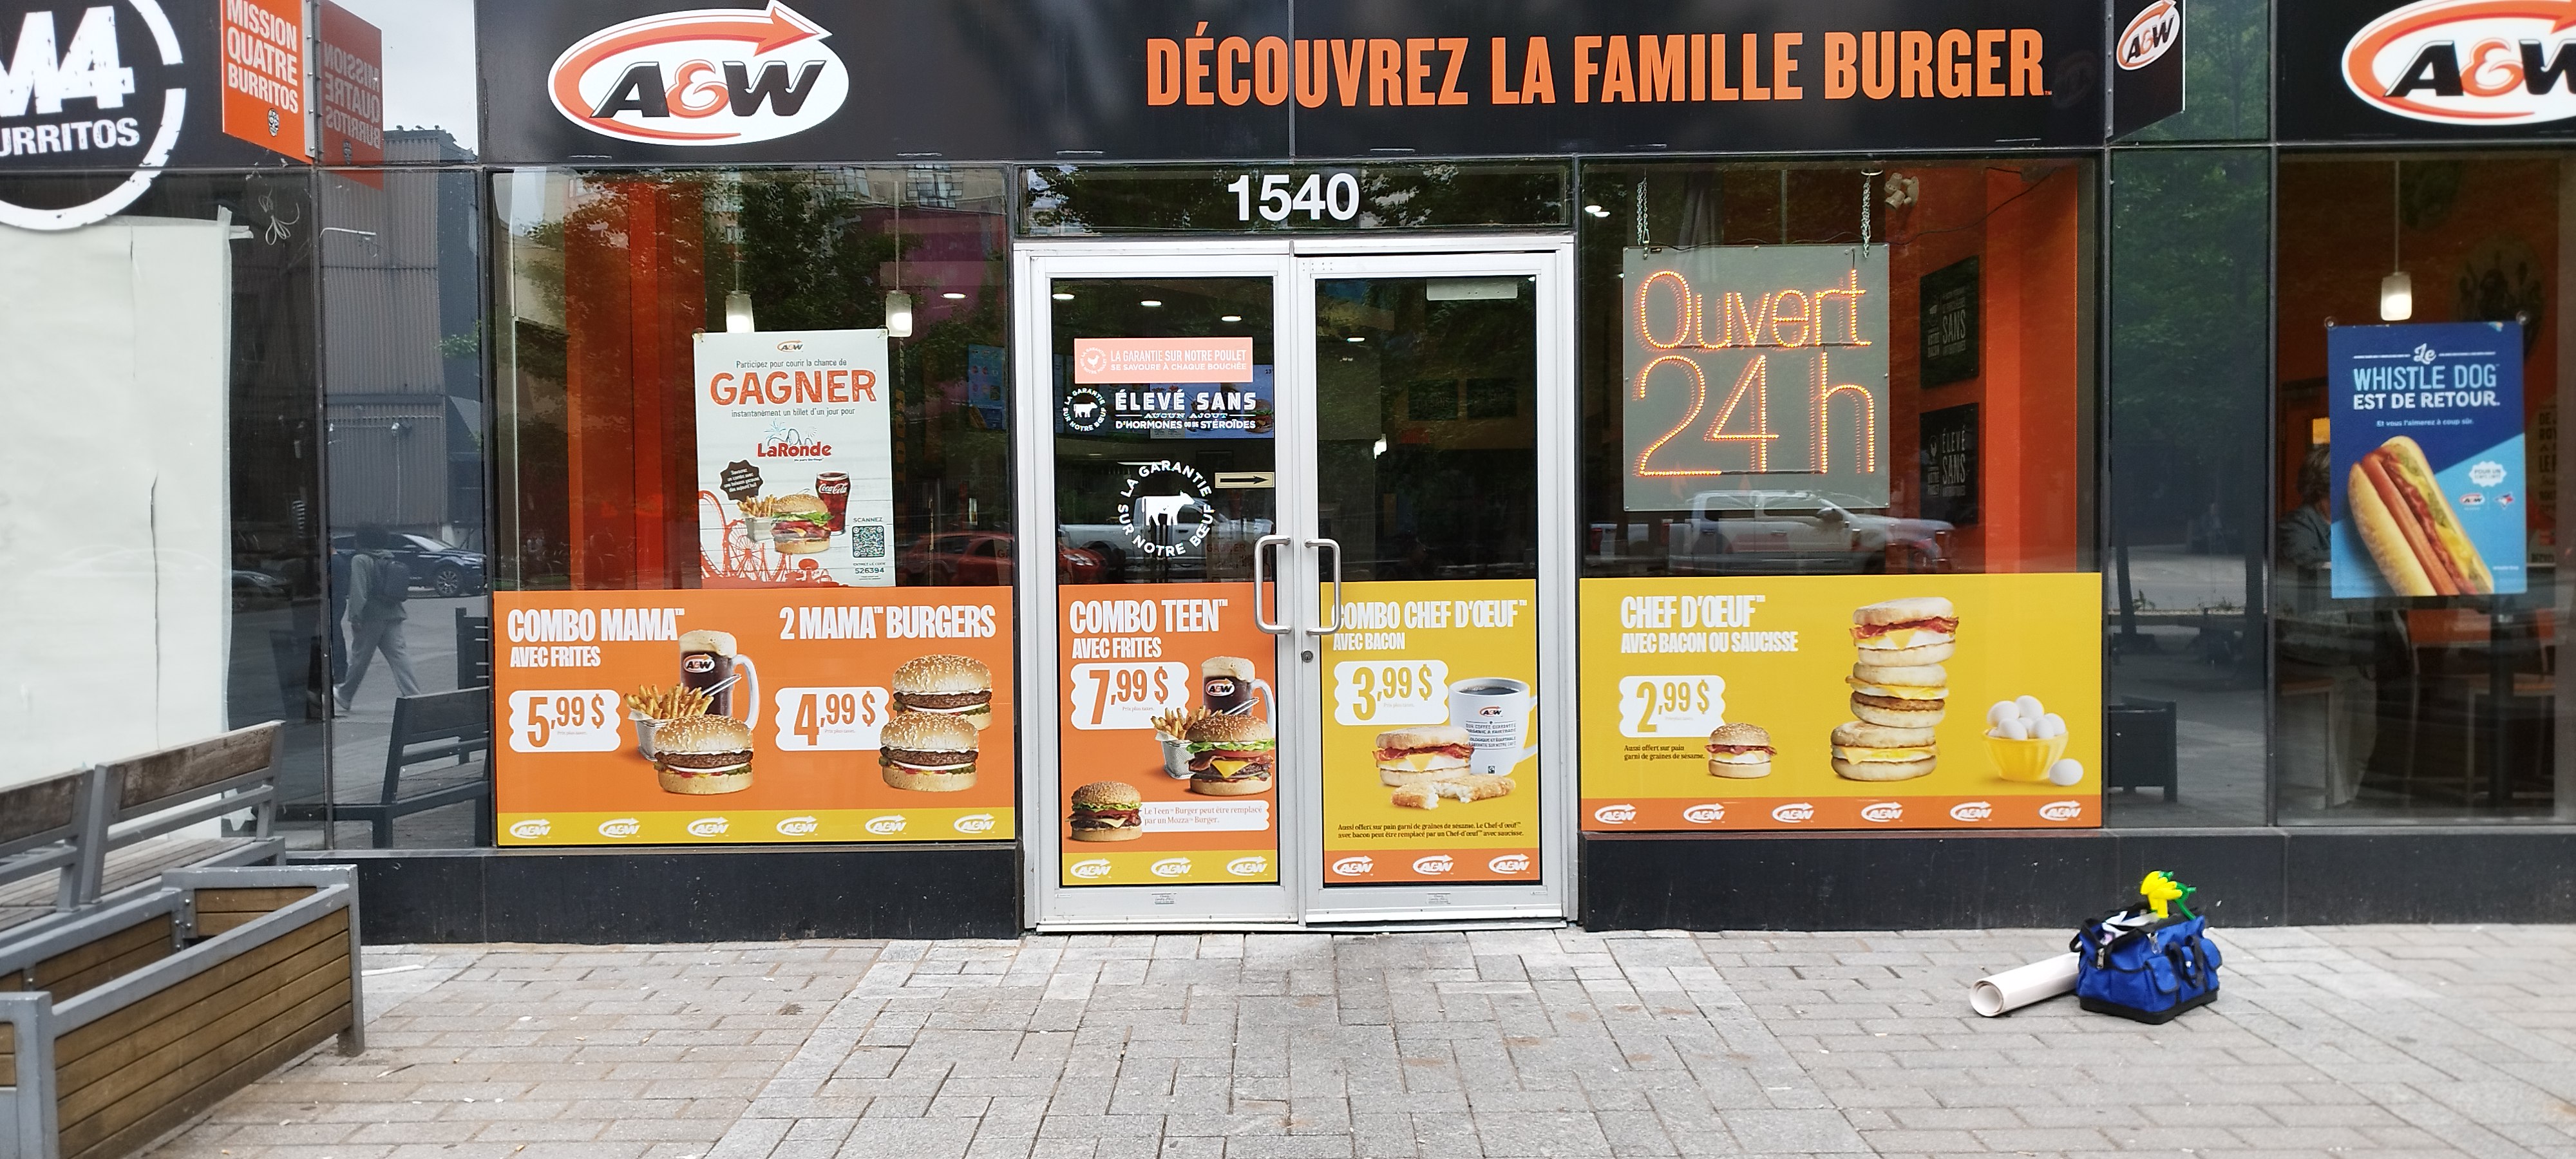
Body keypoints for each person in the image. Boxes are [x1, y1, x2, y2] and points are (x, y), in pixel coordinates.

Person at [337, 525, 420, 711]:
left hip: (371, 616)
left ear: (362, 540)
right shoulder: (388, 557)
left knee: (360, 657)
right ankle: (414, 696)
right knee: (400, 656)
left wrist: (355, 617)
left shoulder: (360, 560)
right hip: (394, 613)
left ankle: (345, 695)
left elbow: (359, 591)